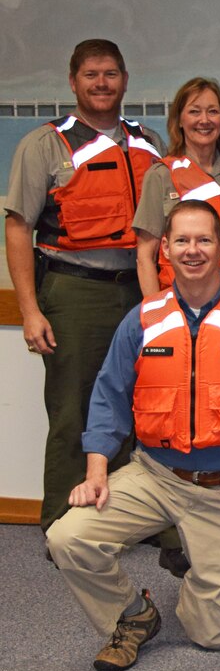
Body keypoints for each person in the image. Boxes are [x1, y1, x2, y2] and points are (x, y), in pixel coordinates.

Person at [45, 200, 220, 671]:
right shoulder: (144, 317)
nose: (193, 250)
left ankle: (215, 576)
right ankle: (134, 615)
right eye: (181, 240)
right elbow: (109, 396)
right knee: (68, 536)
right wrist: (97, 471)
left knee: (216, 635)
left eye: (204, 239)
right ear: (164, 248)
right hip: (155, 475)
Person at [4, 39, 165, 548]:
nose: (102, 83)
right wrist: (29, 309)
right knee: (75, 408)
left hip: (141, 292)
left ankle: (123, 522)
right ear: (73, 82)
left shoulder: (149, 142)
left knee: (140, 407)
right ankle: (62, 527)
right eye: (91, 74)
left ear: (124, 80)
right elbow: (18, 228)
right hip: (76, 291)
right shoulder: (45, 144)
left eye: (111, 74)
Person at [134, 77, 220, 294]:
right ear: (179, 120)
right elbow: (145, 255)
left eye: (213, 111)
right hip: (180, 304)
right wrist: (157, 315)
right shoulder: (161, 175)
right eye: (194, 111)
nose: (204, 120)